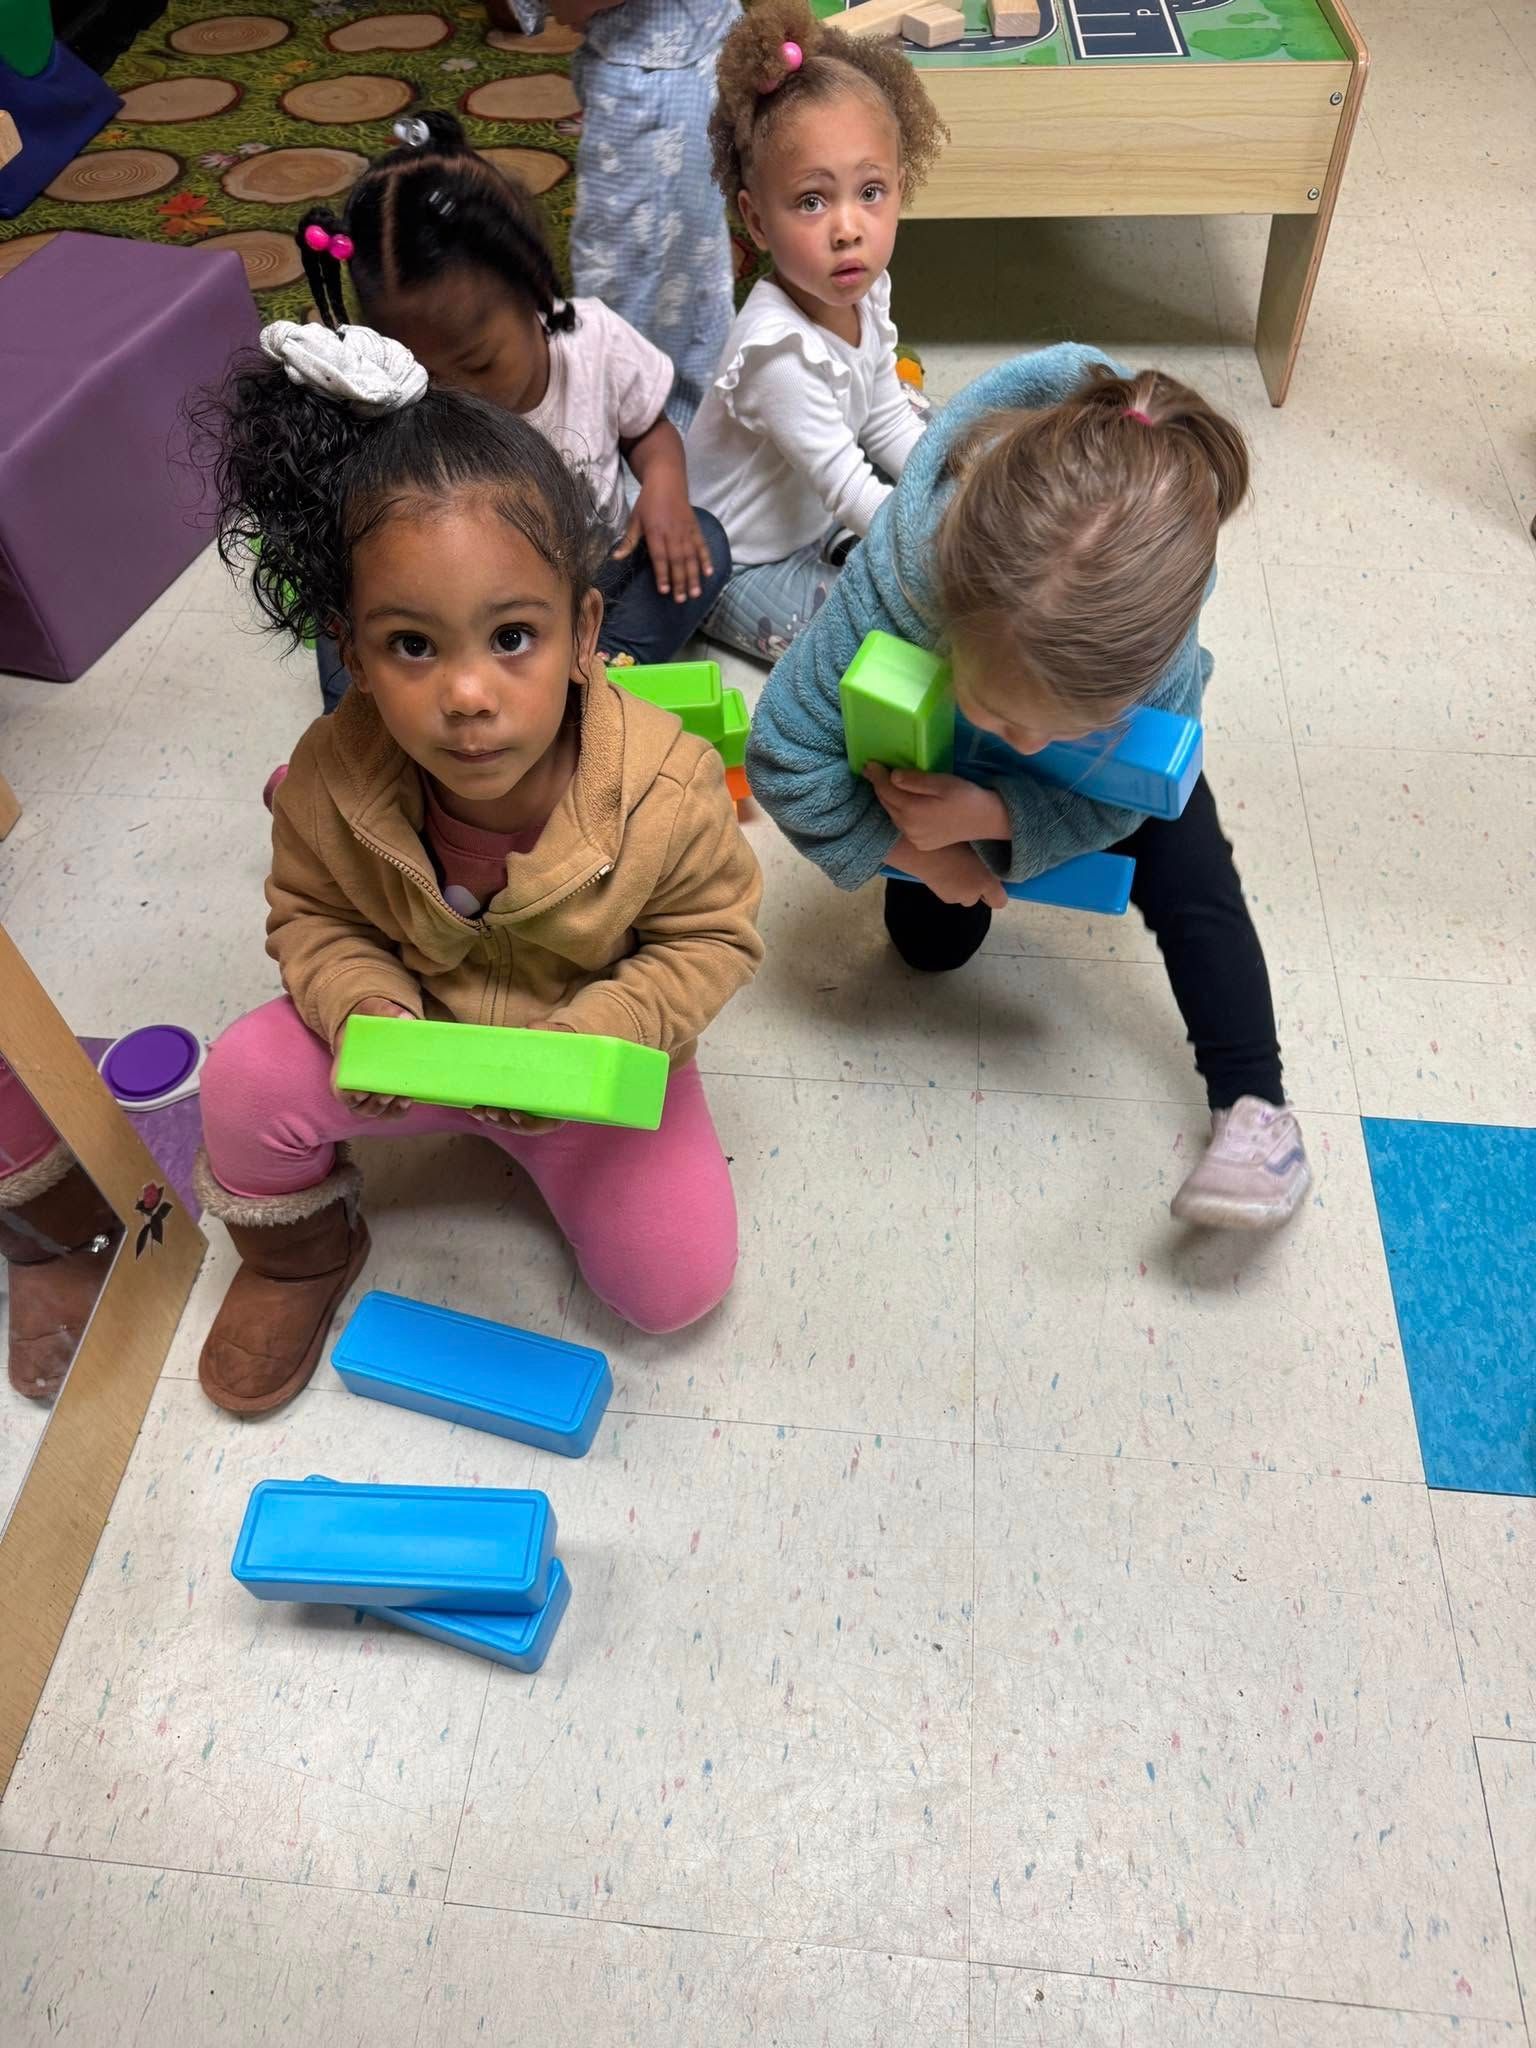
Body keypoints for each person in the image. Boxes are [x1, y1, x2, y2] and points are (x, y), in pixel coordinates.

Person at [193, 321, 762, 1415]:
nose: (467, 694)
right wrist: (366, 1001)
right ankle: (298, 1255)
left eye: (512, 636)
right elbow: (311, 917)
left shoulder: (667, 784)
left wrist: (607, 1033)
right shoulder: (329, 775)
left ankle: (576, 1130)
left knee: (675, 1285)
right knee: (246, 1079)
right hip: (411, 1047)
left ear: (586, 628)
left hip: (586, 1058)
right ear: (350, 650)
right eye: (413, 645)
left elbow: (712, 939)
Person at [746, 346, 1312, 1231]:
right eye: (1012, 718)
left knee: (1189, 850)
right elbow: (782, 752)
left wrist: (1002, 811)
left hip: (1082, 768)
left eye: (1062, 725)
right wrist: (920, 855)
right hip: (935, 747)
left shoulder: (1151, 634)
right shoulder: (902, 577)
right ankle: (990, 748)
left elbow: (1133, 790)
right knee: (928, 951)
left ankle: (1257, 1107)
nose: (1034, 743)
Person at [295, 111, 729, 713]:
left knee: (701, 539)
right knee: (336, 602)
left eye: (478, 361)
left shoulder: (595, 343)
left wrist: (664, 485)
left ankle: (596, 678)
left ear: (532, 293)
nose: (457, 395)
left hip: (580, 589)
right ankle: (359, 734)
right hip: (453, 620)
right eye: (428, 373)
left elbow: (650, 433)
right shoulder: (394, 398)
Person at [685, 0, 945, 661]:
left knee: (929, 427)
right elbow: (846, 481)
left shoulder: (864, 290)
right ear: (757, 220)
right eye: (811, 201)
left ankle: (856, 547)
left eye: (870, 192)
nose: (848, 228)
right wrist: (947, 551)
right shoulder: (778, 353)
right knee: (879, 641)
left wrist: (950, 492)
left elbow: (883, 416)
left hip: (813, 507)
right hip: (744, 562)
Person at [503, 0, 740, 432]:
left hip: (659, 73)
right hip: (670, 56)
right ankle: (670, 412)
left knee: (638, 267)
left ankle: (645, 425)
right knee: (680, 255)